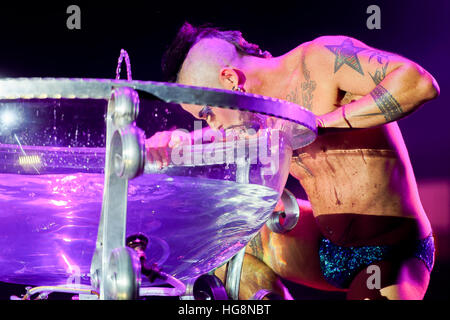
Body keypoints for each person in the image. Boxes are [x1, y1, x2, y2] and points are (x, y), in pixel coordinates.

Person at [146, 22, 440, 300]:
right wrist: (173, 142)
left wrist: (318, 124)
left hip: (392, 252)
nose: (212, 124)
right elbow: (216, 139)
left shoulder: (320, 59)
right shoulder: (256, 114)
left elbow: (418, 83)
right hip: (323, 248)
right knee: (220, 243)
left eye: (207, 113)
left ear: (231, 79)